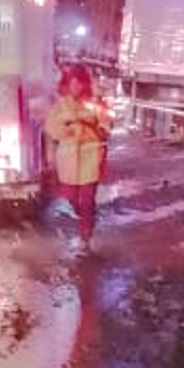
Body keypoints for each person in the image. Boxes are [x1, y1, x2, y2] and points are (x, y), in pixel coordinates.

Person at [45, 63, 112, 257]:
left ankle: (85, 239)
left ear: (84, 85)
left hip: (90, 159)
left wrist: (89, 128)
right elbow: (52, 128)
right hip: (68, 162)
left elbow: (105, 126)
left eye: (79, 84)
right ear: (67, 84)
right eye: (72, 83)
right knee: (72, 200)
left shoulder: (94, 103)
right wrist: (68, 130)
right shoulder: (61, 105)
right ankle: (87, 221)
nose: (76, 87)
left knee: (87, 201)